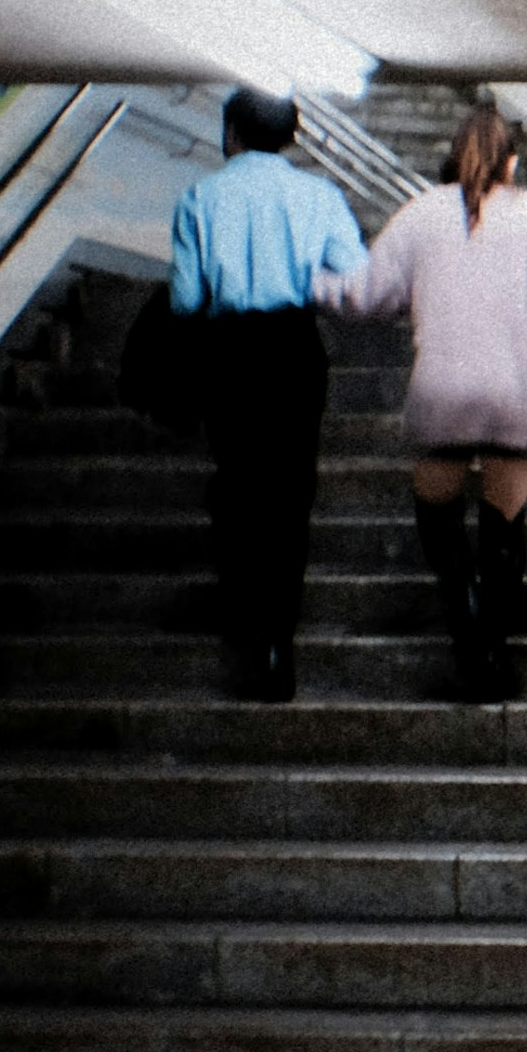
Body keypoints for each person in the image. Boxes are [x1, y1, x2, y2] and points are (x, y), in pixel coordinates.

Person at [330, 102, 527, 701]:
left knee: (437, 515)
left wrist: (316, 284)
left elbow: (368, 295)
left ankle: (467, 628)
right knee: (504, 522)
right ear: (512, 162)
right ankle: (493, 652)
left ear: (451, 159)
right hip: (512, 395)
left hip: (441, 393)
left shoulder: (420, 214)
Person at [168, 87, 367, 703]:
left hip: (228, 353)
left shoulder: (200, 197)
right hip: (293, 350)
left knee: (237, 485)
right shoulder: (321, 197)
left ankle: (243, 624)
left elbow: (185, 300)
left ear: (231, 133)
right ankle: (280, 640)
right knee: (289, 493)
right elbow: (355, 278)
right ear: (292, 137)